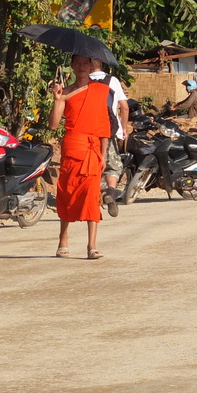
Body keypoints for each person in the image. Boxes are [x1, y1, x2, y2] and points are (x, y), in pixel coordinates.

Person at [49, 54, 112, 259]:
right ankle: (63, 240)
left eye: (86, 63)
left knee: (92, 196)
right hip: (73, 147)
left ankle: (91, 246)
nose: (82, 66)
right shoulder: (65, 92)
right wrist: (57, 100)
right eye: (77, 63)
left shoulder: (100, 90)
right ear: (72, 67)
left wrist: (103, 155)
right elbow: (53, 124)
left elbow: (104, 125)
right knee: (67, 193)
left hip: (93, 150)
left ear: (92, 66)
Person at [90, 58, 129, 217]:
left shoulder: (82, 81)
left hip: (87, 131)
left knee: (92, 168)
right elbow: (125, 107)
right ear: (103, 65)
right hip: (108, 130)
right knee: (112, 166)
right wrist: (123, 128)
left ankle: (94, 205)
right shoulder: (112, 80)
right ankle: (110, 192)